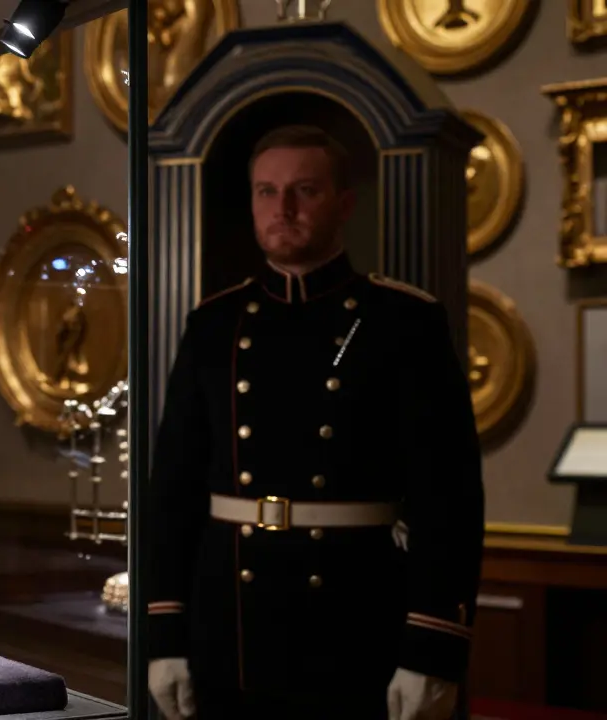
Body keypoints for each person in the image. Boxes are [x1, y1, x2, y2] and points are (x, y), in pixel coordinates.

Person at [144, 125, 484, 719]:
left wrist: (432, 649)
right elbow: (172, 491)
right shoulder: (214, 325)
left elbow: (447, 499)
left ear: (345, 203)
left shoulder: (404, 320)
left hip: (360, 624)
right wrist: (164, 633)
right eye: (266, 192)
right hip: (229, 629)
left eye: (305, 190)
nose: (284, 208)